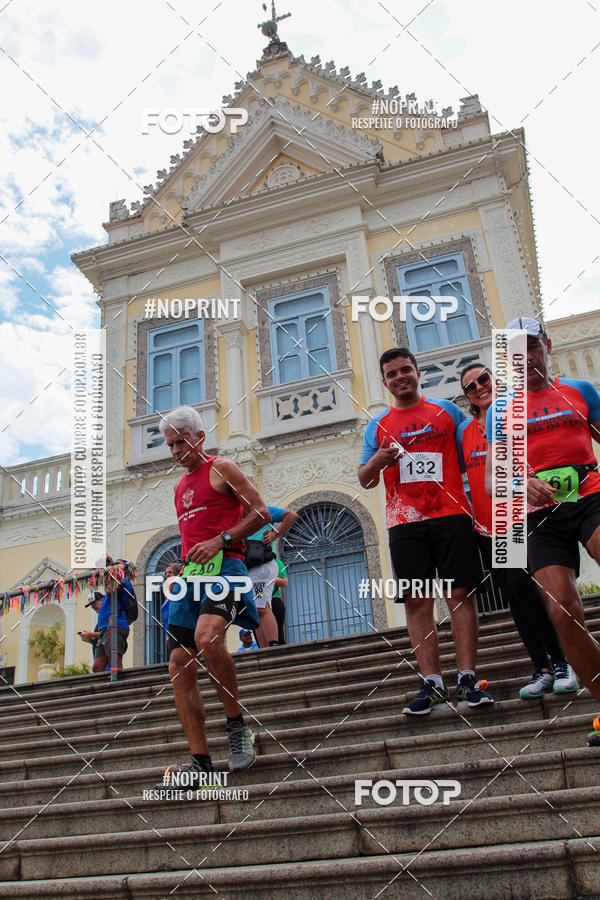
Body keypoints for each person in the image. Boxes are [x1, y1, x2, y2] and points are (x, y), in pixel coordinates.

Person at [358, 347, 493, 715]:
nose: (400, 377)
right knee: (417, 602)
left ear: (418, 373)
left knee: (459, 594)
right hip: (405, 523)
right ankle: (432, 683)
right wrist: (377, 460)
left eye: (405, 370)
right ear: (385, 382)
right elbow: (364, 479)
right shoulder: (378, 425)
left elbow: (477, 451)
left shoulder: (446, 411)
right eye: (392, 373)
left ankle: (467, 678)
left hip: (451, 515)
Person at [484, 317, 600, 745]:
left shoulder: (580, 392)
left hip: (589, 493)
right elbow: (494, 478)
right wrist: (521, 483)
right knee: (562, 611)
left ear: (546, 345)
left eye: (531, 346)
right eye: (515, 351)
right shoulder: (501, 410)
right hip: (540, 515)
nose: (525, 357)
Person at [158, 405, 270, 785]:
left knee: (208, 639)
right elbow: (193, 538)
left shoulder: (222, 468)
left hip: (227, 569)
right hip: (192, 578)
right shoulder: (179, 487)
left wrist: (221, 540)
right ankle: (201, 763)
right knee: (178, 665)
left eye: (181, 442)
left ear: (199, 437)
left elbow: (261, 512)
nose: (175, 451)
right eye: (170, 445)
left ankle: (237, 726)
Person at [457, 361, 577, 698]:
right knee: (516, 596)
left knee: (539, 589)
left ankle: (563, 662)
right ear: (466, 396)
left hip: (526, 518)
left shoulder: (518, 417)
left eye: (484, 379)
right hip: (488, 529)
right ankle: (541, 668)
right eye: (471, 386)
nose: (479, 386)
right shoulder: (463, 432)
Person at [245, 505, 297, 648]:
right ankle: (264, 649)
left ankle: (273, 644)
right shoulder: (234, 514)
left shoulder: (262, 509)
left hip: (262, 562)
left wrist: (275, 534)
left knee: (261, 607)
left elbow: (291, 515)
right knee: (255, 610)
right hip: (246, 566)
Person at [81, 575, 131, 673]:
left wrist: (91, 635)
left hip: (114, 627)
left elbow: (109, 589)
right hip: (106, 631)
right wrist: (91, 640)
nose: (93, 607)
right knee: (97, 667)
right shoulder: (104, 609)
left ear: (102, 599)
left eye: (94, 604)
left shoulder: (112, 595)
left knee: (114, 660)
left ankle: (117, 682)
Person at [271, 556, 288, 645]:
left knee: (278, 635)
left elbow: (284, 582)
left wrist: (266, 579)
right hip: (256, 602)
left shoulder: (276, 561)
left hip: (274, 600)